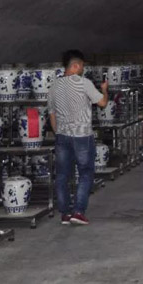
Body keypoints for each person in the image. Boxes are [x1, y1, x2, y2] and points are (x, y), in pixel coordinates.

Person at [48, 50, 108, 226]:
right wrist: (104, 90)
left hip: (62, 135)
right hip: (82, 136)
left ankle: (65, 213)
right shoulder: (84, 83)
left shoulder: (54, 86)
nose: (83, 69)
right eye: (82, 65)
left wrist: (58, 132)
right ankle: (79, 211)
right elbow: (102, 103)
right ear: (75, 65)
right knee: (85, 172)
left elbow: (52, 114)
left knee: (62, 175)